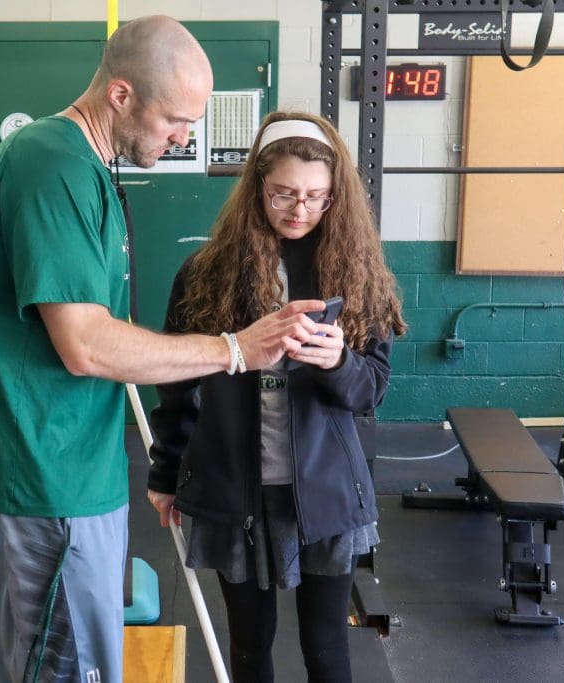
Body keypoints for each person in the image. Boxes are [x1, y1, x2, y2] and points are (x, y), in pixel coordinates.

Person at [0, 17, 327, 683]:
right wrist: (234, 350)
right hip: (43, 483)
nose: (184, 137)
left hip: (76, 473)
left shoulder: (87, 172)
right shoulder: (51, 166)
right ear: (121, 95)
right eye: (175, 120)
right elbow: (87, 345)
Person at [147, 111, 408, 683]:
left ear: (336, 196)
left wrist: (336, 362)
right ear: (256, 190)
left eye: (317, 196)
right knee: (249, 647)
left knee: (326, 647)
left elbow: (371, 391)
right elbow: (176, 384)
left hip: (325, 490)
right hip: (234, 489)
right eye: (284, 194)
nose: (300, 209)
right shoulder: (205, 273)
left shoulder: (356, 274)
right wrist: (165, 475)